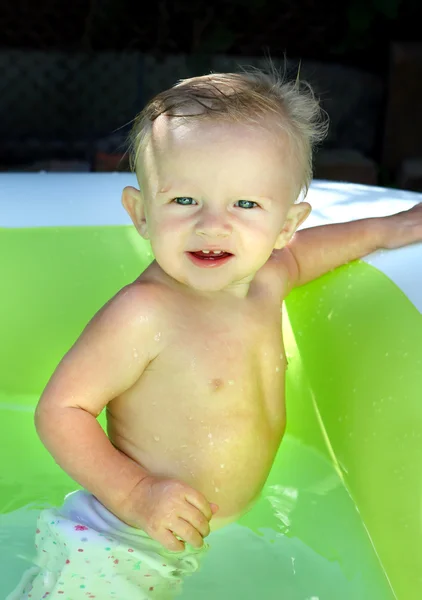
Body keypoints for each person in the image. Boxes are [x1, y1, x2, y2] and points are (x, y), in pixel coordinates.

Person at [9, 68, 422, 600]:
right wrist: (138, 495)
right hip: (125, 540)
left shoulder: (267, 276)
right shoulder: (146, 312)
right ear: (140, 213)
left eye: (245, 205)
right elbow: (61, 411)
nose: (212, 225)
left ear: (286, 225)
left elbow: (306, 255)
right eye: (184, 202)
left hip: (195, 533)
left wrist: (389, 229)